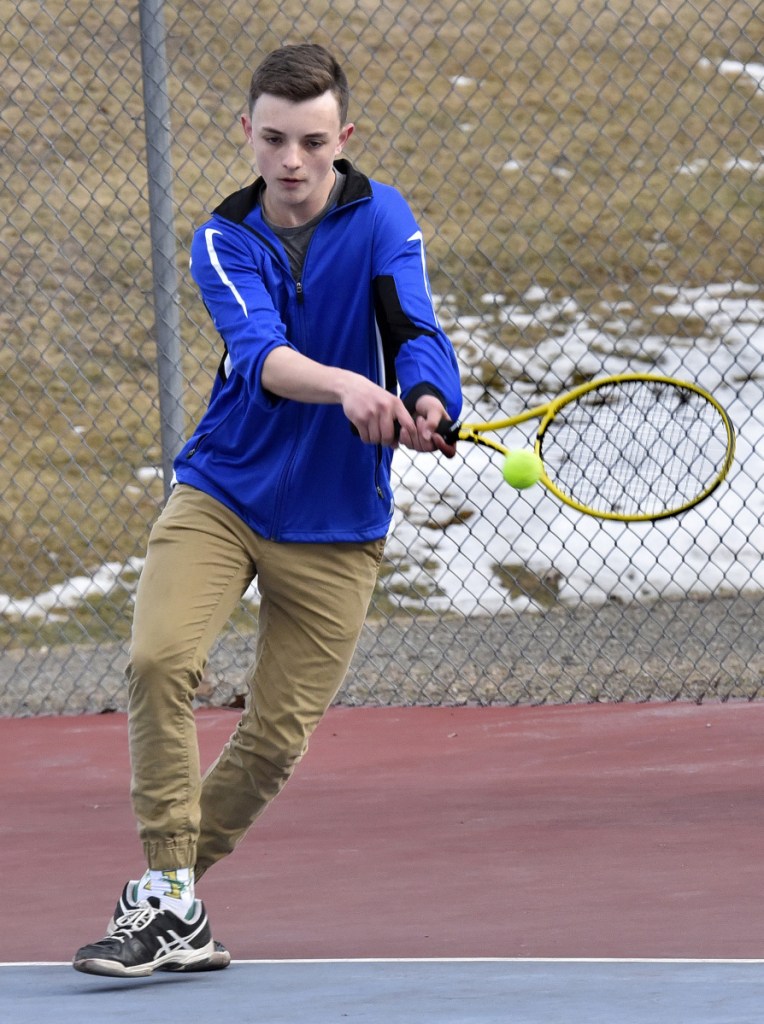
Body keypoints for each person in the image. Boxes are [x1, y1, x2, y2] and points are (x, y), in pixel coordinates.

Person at [73, 42, 462, 977]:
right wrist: (346, 388)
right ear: (246, 133)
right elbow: (263, 357)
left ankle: (169, 900)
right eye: (275, 139)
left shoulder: (380, 220)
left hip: (339, 524)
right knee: (160, 658)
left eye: (314, 142)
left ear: (343, 140)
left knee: (274, 739)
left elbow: (414, 327)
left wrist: (427, 400)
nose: (293, 162)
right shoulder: (223, 237)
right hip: (223, 492)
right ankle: (171, 897)